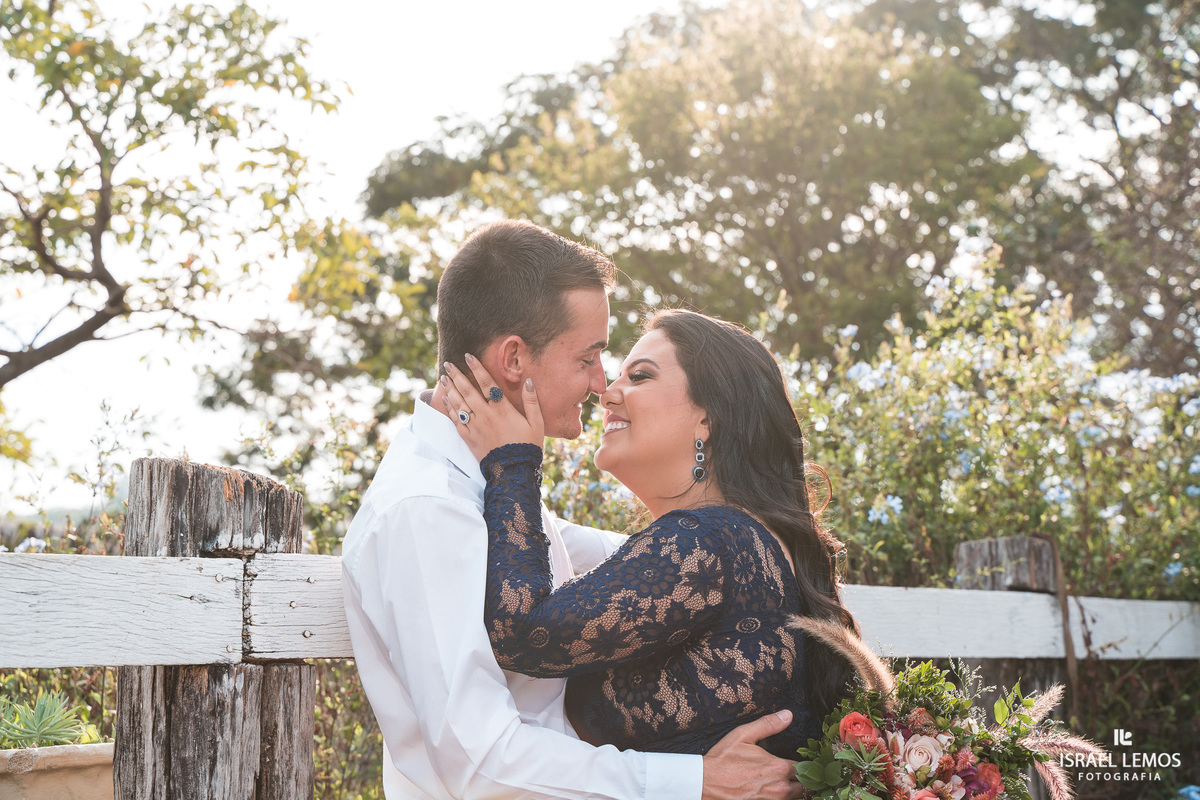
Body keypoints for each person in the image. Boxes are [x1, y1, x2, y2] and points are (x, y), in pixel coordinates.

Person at [341, 220, 804, 800]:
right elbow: (480, 763)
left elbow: (633, 561)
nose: (599, 383)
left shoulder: (487, 492)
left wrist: (744, 539)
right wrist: (692, 781)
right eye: (589, 357)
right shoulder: (425, 511)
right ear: (514, 358)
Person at [440, 308, 859, 757]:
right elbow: (557, 539)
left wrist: (514, 463)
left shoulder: (702, 543)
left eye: (639, 377)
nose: (606, 392)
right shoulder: (746, 541)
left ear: (707, 418)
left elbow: (521, 631)